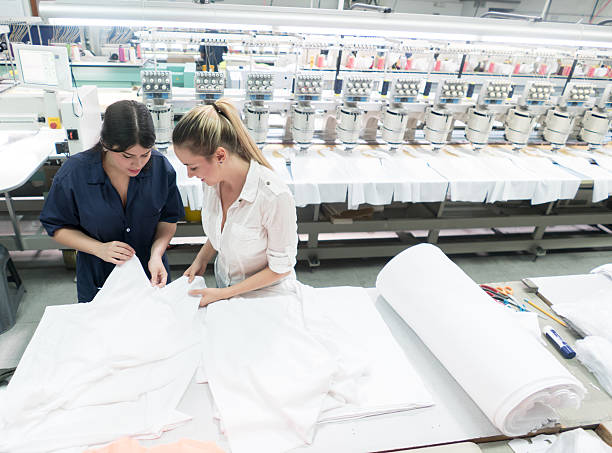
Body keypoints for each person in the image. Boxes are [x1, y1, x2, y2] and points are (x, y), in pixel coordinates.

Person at [40, 100, 184, 302]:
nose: (138, 164)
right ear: (106, 145)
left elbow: (168, 219)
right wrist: (98, 248)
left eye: (145, 154)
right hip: (99, 275)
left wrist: (157, 254)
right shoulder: (75, 174)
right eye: (127, 156)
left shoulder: (160, 168)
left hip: (149, 272)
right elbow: (57, 226)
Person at [172, 98, 298, 306]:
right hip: (227, 291)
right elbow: (224, 229)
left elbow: (281, 267)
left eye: (193, 167)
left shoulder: (273, 196)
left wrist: (224, 294)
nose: (189, 174)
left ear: (220, 155)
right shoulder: (212, 182)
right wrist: (201, 259)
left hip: (267, 298)